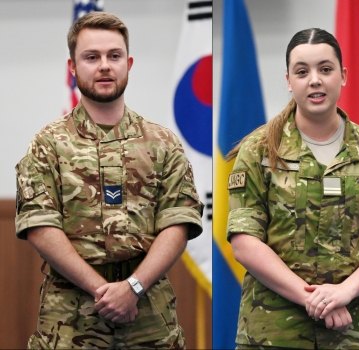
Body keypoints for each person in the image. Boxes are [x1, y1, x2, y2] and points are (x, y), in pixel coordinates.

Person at [14, 12, 203, 348]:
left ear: (128, 63)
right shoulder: (47, 145)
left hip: (149, 315)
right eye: (92, 57)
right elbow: (40, 226)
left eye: (114, 56)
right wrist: (104, 291)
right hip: (70, 319)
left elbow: (179, 222)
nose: (104, 66)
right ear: (72, 67)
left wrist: (132, 288)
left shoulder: (163, 143)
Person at [225, 28, 359, 349]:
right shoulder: (258, 150)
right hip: (273, 329)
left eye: (325, 69)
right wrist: (313, 298)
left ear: (343, 76)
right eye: (302, 71)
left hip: (354, 327)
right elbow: (244, 242)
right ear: (288, 81)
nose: (315, 80)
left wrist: (345, 291)